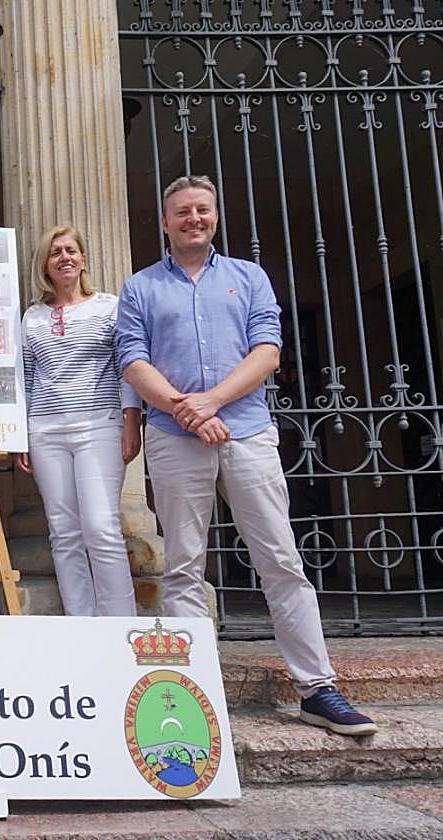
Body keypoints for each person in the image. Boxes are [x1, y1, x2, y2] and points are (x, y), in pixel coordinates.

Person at [117, 175, 377, 736]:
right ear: (165, 223)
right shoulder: (139, 288)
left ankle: (317, 688)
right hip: (173, 436)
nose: (193, 219)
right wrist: (187, 411)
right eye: (182, 211)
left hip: (247, 433)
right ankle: (194, 690)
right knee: (183, 566)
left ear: (215, 217)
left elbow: (268, 350)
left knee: (280, 560)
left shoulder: (248, 277)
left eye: (202, 210)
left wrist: (209, 403)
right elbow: (133, 361)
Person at [14, 226, 141, 617]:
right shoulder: (32, 317)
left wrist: (131, 421)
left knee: (101, 528)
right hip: (45, 431)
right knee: (63, 533)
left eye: (72, 250)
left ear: (84, 258)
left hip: (99, 426)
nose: (65, 257)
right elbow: (27, 377)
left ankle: (121, 627)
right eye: (56, 253)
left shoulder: (109, 306)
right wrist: (21, 433)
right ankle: (81, 624)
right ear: (45, 265)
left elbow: (128, 368)